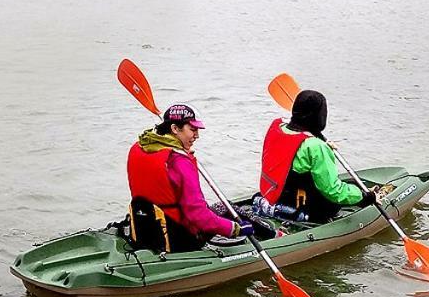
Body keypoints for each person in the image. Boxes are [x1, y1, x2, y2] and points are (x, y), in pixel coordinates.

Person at [127, 103, 255, 253]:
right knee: (228, 208)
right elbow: (198, 216)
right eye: (192, 130)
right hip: (178, 239)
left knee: (218, 209)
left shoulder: (138, 147)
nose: (197, 135)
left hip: (143, 227)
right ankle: (274, 235)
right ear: (174, 129)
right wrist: (235, 229)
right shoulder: (179, 161)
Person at [258, 89, 377, 223]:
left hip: (271, 196)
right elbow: (332, 191)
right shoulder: (316, 147)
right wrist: (361, 197)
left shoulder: (276, 126)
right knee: (349, 190)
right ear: (320, 117)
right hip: (302, 209)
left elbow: (291, 128)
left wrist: (315, 136)